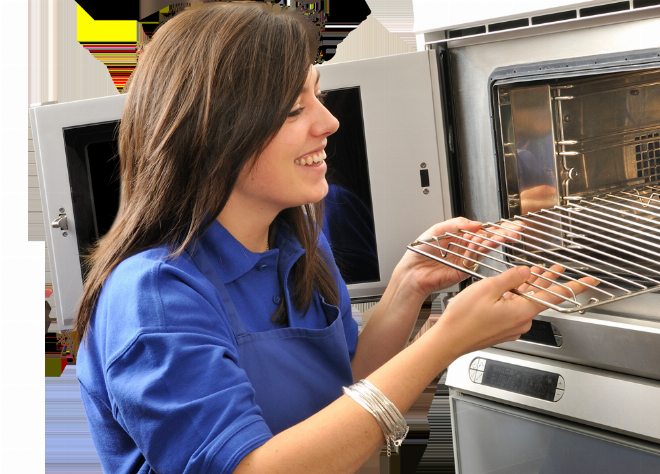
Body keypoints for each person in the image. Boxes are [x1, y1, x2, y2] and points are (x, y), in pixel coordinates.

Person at [75, 3, 594, 473]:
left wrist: (407, 288)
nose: (329, 121)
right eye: (293, 108)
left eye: (316, 95)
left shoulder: (297, 241)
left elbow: (343, 393)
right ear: (211, 130)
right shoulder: (155, 297)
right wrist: (444, 343)